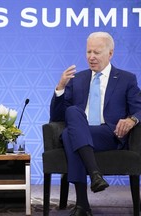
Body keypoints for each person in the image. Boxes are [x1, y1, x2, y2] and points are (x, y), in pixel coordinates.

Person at [50, 31, 141, 216]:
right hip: (80, 130)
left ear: (110, 53)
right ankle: (95, 175)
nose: (91, 57)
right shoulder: (77, 80)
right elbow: (57, 116)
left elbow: (139, 108)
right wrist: (60, 88)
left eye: (97, 52)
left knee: (70, 135)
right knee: (72, 114)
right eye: (88, 52)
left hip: (110, 133)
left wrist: (132, 119)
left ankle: (82, 204)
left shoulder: (126, 79)